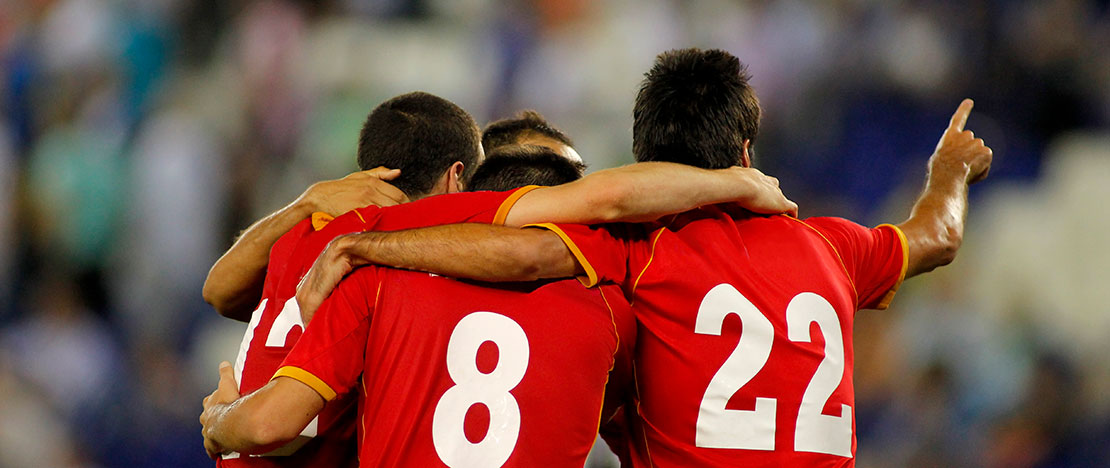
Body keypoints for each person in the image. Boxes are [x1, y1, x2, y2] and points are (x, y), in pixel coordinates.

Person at [292, 48, 993, 467]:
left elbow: (524, 256)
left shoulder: (638, 248)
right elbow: (937, 237)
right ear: (746, 151)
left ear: (644, 160)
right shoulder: (833, 248)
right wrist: (950, 170)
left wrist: (370, 243)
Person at [199, 141, 793, 467]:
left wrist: (220, 420)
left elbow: (221, 296)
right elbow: (611, 199)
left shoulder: (365, 262)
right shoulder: (606, 302)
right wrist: (734, 182)